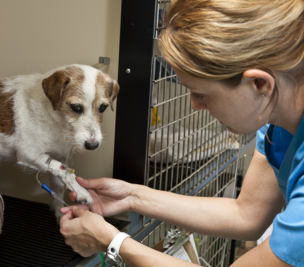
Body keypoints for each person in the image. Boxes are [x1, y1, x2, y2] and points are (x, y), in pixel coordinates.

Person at [59, 0, 304, 266]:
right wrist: (132, 196)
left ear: (259, 84)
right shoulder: (276, 127)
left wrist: (113, 242)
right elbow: (246, 214)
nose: (194, 105)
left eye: (201, 94)